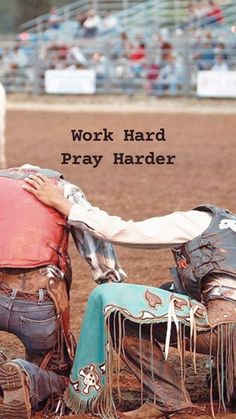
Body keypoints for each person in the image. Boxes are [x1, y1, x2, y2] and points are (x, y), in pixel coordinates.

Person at [23, 174, 236, 418]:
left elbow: (125, 230)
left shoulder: (197, 220)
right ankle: (225, 374)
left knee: (122, 313)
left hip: (224, 328)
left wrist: (67, 207)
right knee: (168, 290)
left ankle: (166, 399)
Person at [0, 165, 125, 419]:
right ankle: (26, 376)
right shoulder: (64, 190)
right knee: (56, 369)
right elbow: (95, 243)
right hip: (36, 301)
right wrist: (113, 283)